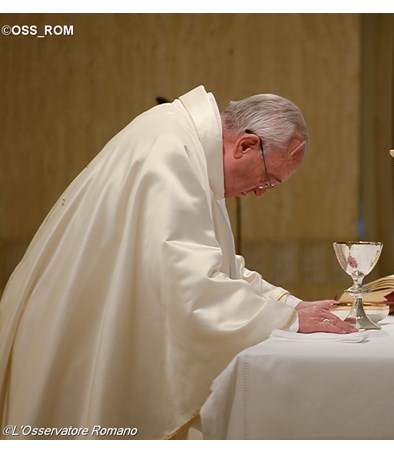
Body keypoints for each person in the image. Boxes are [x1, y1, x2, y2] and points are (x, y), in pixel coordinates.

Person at [0, 85, 357, 440]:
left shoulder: (188, 146)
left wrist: (290, 304)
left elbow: (214, 263)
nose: (261, 193)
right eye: (268, 179)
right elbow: (190, 288)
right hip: (74, 334)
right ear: (246, 145)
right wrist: (290, 320)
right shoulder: (171, 153)